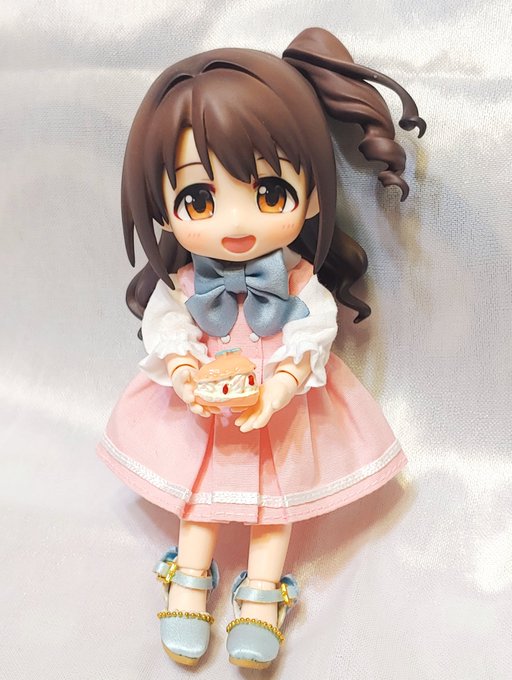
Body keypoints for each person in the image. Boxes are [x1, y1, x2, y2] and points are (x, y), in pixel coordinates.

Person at [97, 26, 425, 669]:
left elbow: (313, 332)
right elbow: (167, 327)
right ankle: (191, 576)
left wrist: (280, 385)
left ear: (311, 192)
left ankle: (264, 592)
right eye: (198, 199)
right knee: (197, 500)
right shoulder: (185, 283)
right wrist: (185, 370)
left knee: (276, 507)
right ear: (162, 206)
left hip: (281, 414)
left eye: (270, 194)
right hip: (205, 416)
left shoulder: (298, 282)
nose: (237, 222)